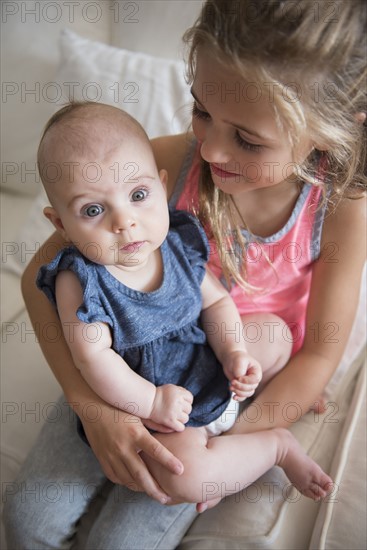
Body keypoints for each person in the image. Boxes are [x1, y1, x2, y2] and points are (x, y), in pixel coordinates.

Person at [4, 0, 366, 548]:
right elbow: (42, 278)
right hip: (125, 364)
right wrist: (95, 410)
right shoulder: (159, 170)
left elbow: (320, 350)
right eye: (201, 110)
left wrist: (226, 444)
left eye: (247, 138)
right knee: (30, 517)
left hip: (232, 374)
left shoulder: (340, 207)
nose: (212, 147)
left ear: (329, 127)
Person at [35, 100, 330, 511]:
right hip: (148, 394)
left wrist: (234, 352)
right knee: (184, 476)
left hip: (204, 360)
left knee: (275, 333)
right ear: (61, 224)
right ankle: (276, 447)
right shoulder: (78, 280)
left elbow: (218, 302)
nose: (124, 222)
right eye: (93, 210)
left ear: (160, 184)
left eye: (138, 195)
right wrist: (151, 403)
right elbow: (94, 361)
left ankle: (249, 400)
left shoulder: (174, 242)